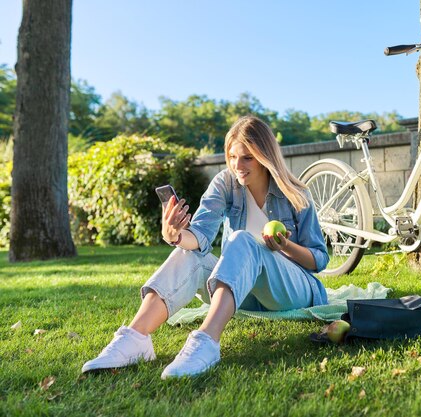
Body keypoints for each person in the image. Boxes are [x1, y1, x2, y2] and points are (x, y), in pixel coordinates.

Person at [82, 115, 329, 379]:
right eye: (232, 157)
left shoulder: (295, 193)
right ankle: (135, 338)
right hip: (241, 292)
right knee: (189, 254)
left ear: (265, 157)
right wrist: (176, 235)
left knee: (241, 239)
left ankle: (206, 341)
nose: (237, 165)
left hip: (293, 290)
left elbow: (319, 259)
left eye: (247, 158)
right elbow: (199, 236)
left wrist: (286, 246)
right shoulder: (226, 183)